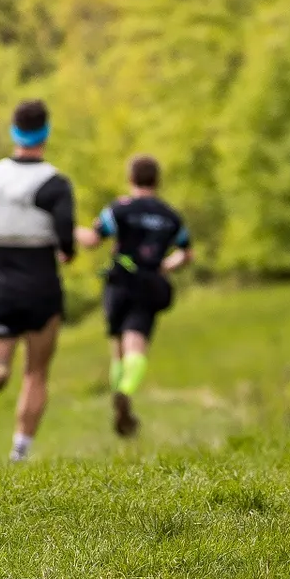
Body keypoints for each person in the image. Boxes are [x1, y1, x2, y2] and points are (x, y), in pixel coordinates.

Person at [0, 99, 76, 462]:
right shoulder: (55, 183)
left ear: (14, 132)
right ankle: (20, 450)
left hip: (2, 284)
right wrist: (65, 251)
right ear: (46, 133)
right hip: (41, 285)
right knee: (36, 372)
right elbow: (66, 237)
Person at [76, 153, 191, 439]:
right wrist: (165, 265)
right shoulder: (170, 216)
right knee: (135, 341)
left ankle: (118, 394)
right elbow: (186, 253)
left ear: (131, 179)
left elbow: (93, 240)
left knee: (117, 343)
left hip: (119, 281)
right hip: (149, 283)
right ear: (157, 180)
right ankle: (126, 391)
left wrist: (67, 227)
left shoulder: (119, 209)